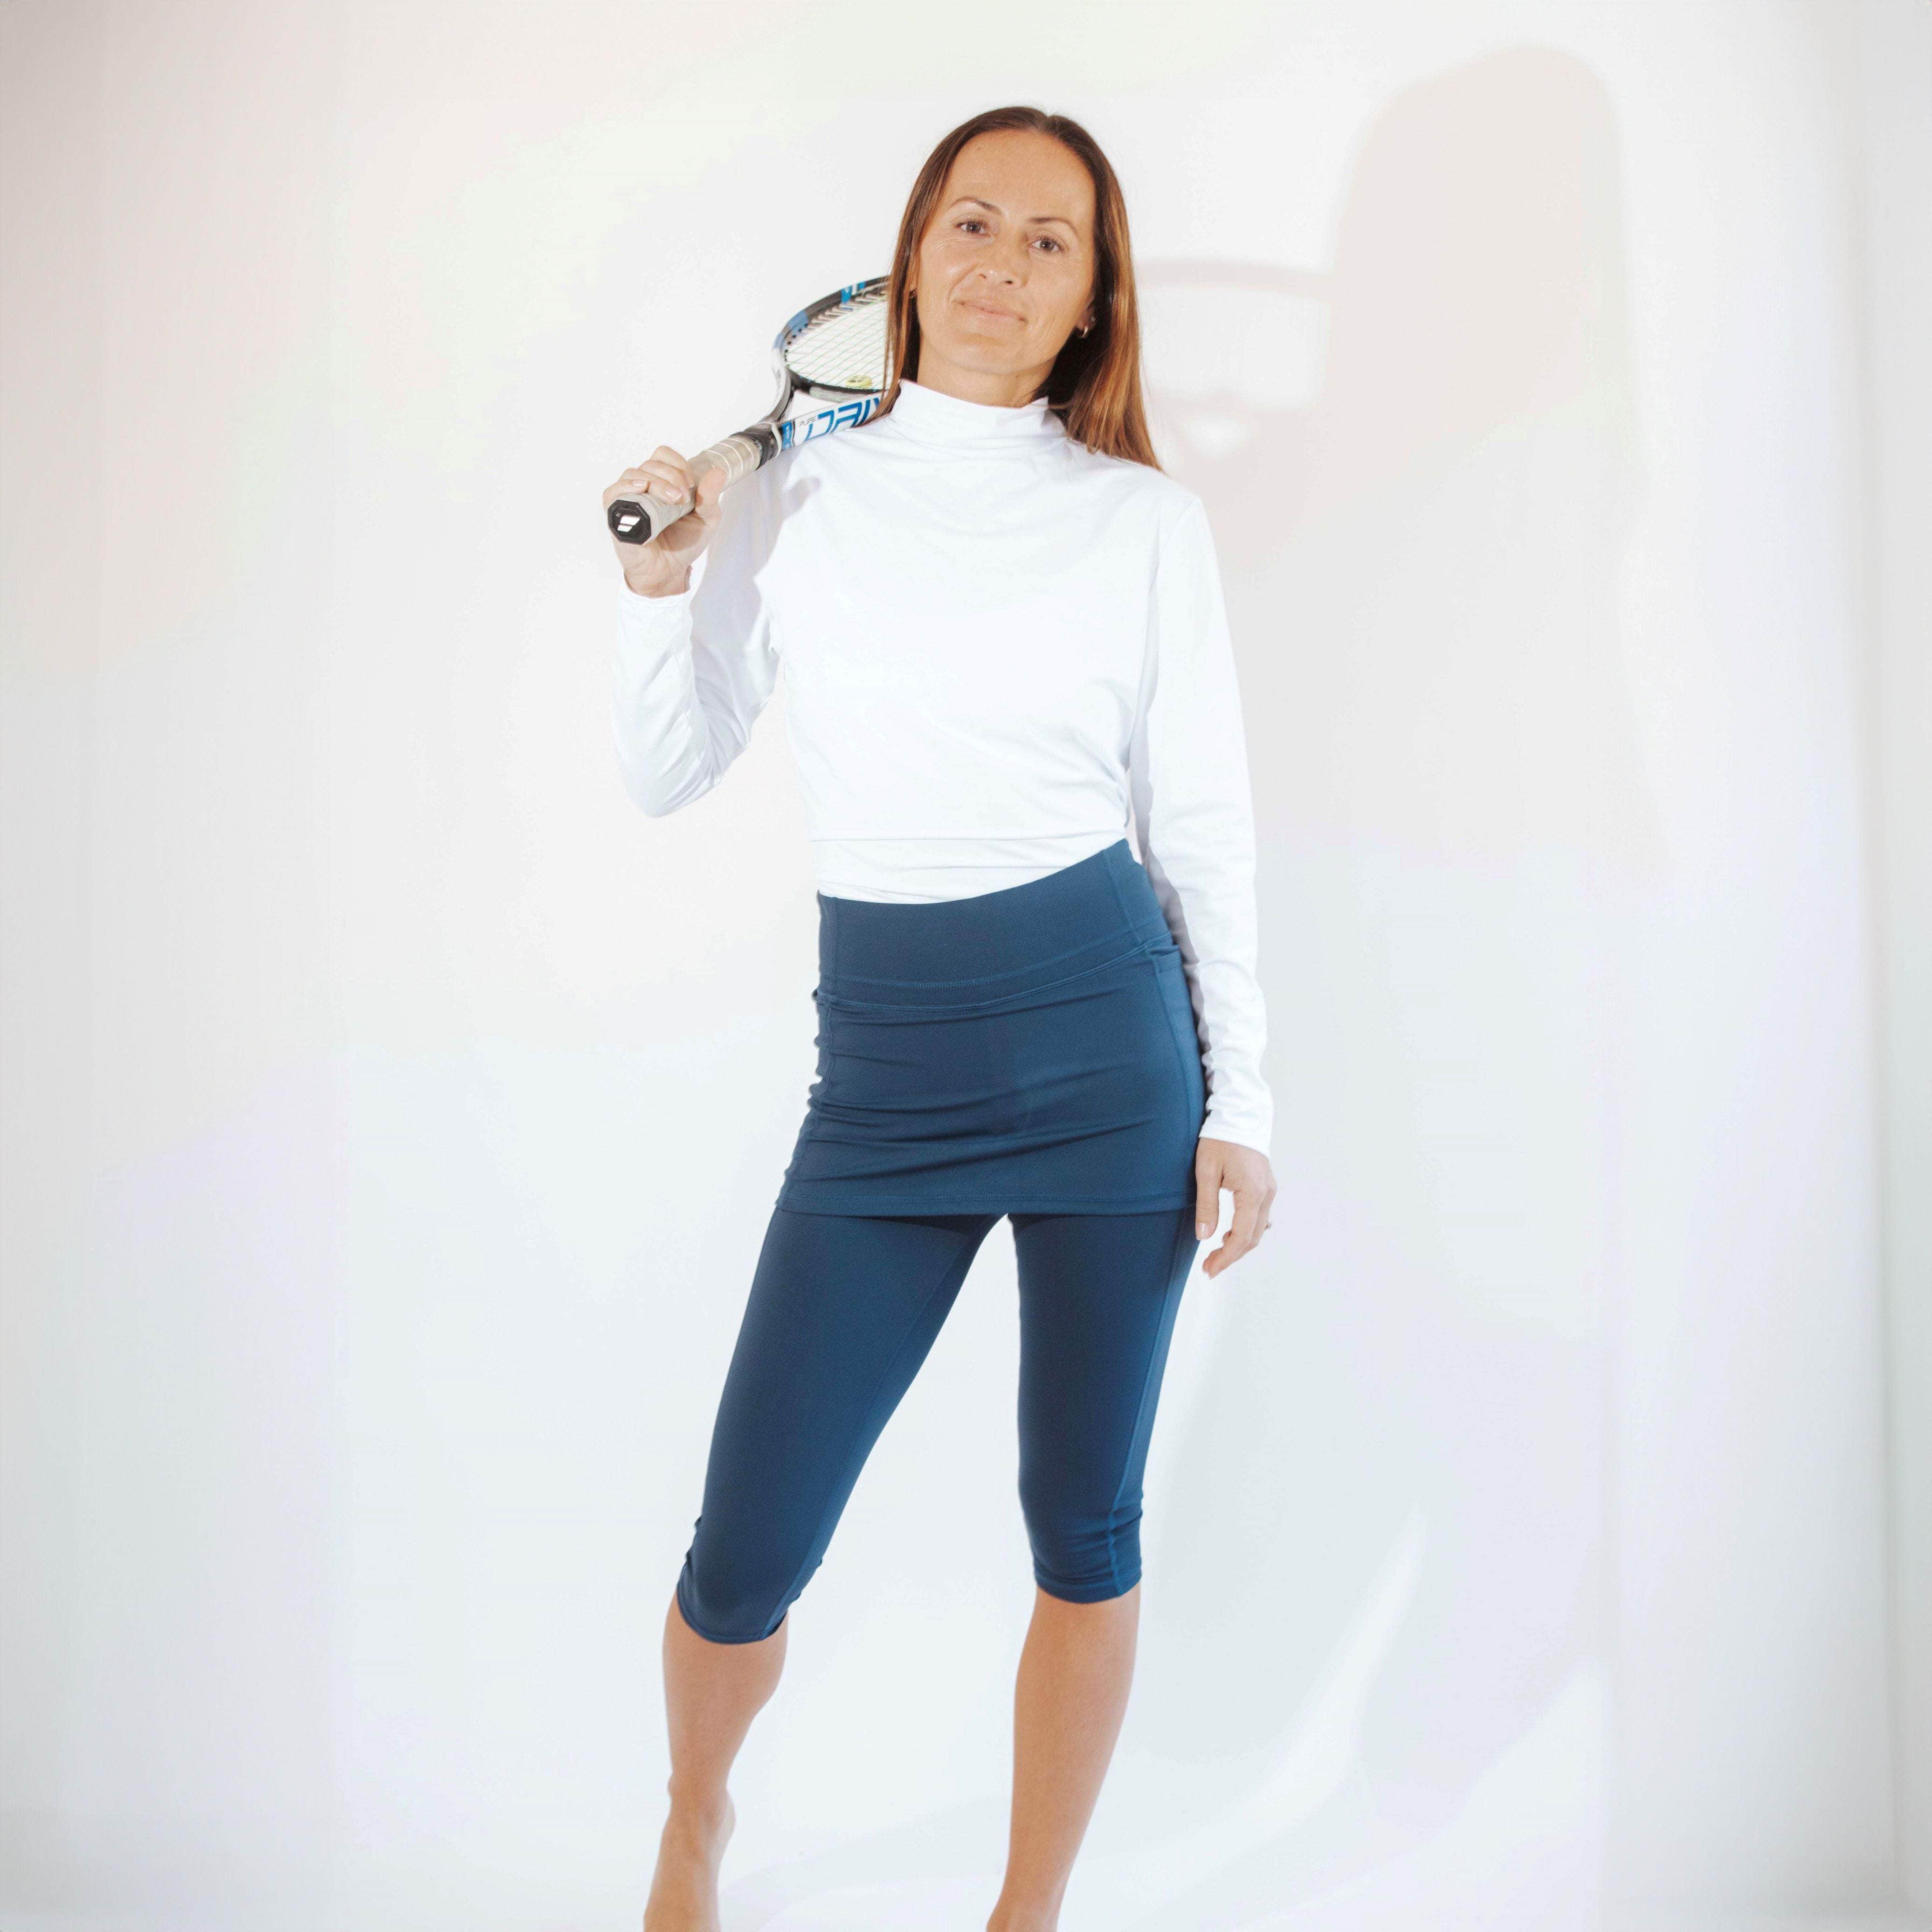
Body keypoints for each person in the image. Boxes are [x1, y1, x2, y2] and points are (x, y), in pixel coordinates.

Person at [603, 104, 1276, 1932]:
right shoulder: (795, 492)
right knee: (744, 1547)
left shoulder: (1142, 520)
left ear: (1088, 303)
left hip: (1105, 1059)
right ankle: (693, 1820)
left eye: (1048, 242)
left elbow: (1199, 822)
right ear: (908, 259)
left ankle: (1025, 1911)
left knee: (1085, 1521)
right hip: (882, 1082)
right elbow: (670, 768)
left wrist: (1248, 1103)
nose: (999, 265)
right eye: (970, 224)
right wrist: (663, 588)